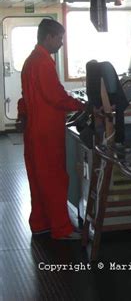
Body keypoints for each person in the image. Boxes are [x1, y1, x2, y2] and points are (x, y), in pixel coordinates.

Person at [17, 19, 85, 240]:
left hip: (34, 131)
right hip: (47, 133)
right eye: (60, 38)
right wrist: (81, 105)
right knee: (54, 179)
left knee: (39, 179)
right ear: (49, 37)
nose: (62, 43)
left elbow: (25, 99)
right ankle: (61, 229)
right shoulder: (44, 63)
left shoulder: (30, 61)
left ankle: (40, 223)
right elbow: (55, 96)